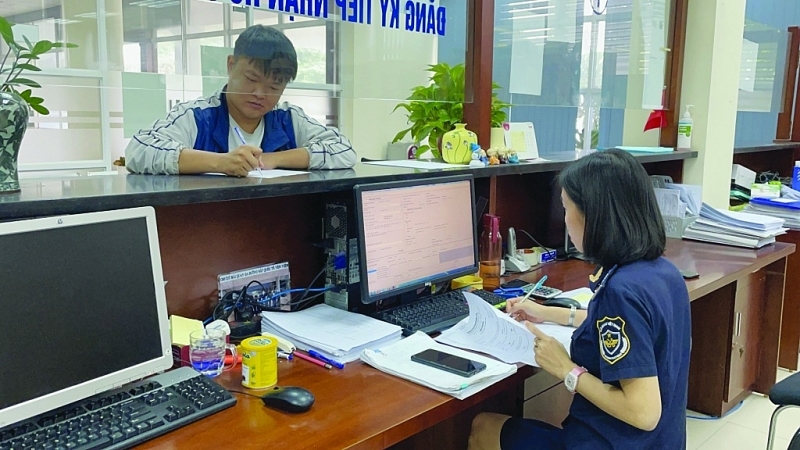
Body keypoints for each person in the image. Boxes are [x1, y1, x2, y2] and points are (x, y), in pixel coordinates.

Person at [468, 149, 691, 450]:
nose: (565, 220)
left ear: (593, 216)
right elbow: (633, 334)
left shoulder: (620, 290)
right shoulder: (662, 272)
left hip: (616, 441)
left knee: (484, 428)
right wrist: (547, 313)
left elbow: (644, 413)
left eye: (566, 208)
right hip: (659, 443)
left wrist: (565, 369)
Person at [125, 25, 356, 176]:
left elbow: (343, 150)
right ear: (230, 65)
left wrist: (273, 159)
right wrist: (221, 163)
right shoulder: (198, 116)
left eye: (274, 86)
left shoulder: (288, 119)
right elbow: (139, 150)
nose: (260, 93)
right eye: (251, 78)